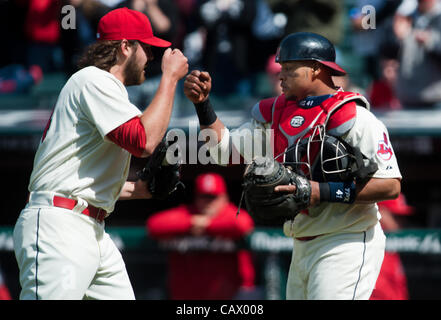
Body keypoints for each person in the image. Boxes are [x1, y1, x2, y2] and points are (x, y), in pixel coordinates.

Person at [183, 32, 402, 300]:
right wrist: (203, 105)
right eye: (279, 68)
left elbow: (390, 185)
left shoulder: (352, 115)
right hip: (301, 244)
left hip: (347, 240)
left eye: (288, 68)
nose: (280, 75)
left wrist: (319, 191)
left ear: (315, 69)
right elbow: (221, 151)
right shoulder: (276, 113)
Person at [13, 7, 188, 300]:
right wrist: (170, 79)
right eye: (146, 47)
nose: (152, 57)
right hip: (60, 226)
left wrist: (142, 189)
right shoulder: (92, 80)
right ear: (125, 47)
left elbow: (86, 180)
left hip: (88, 226)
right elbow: (143, 141)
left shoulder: (105, 90)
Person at [146, 173, 257, 300]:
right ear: (196, 197)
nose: (208, 202)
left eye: (213, 197)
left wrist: (208, 224)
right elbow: (154, 225)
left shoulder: (230, 214)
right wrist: (190, 222)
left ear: (224, 197)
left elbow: (243, 225)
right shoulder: (189, 214)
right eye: (204, 196)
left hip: (232, 297)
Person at [393, 0, 441, 109]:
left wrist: (430, 41)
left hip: (435, 99)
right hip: (408, 97)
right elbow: (387, 52)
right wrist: (396, 36)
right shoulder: (407, 15)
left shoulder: (438, 18)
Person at [370, 193, 414, 300]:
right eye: (396, 216)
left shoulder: (392, 247)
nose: (401, 223)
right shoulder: (367, 248)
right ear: (379, 212)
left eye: (403, 218)